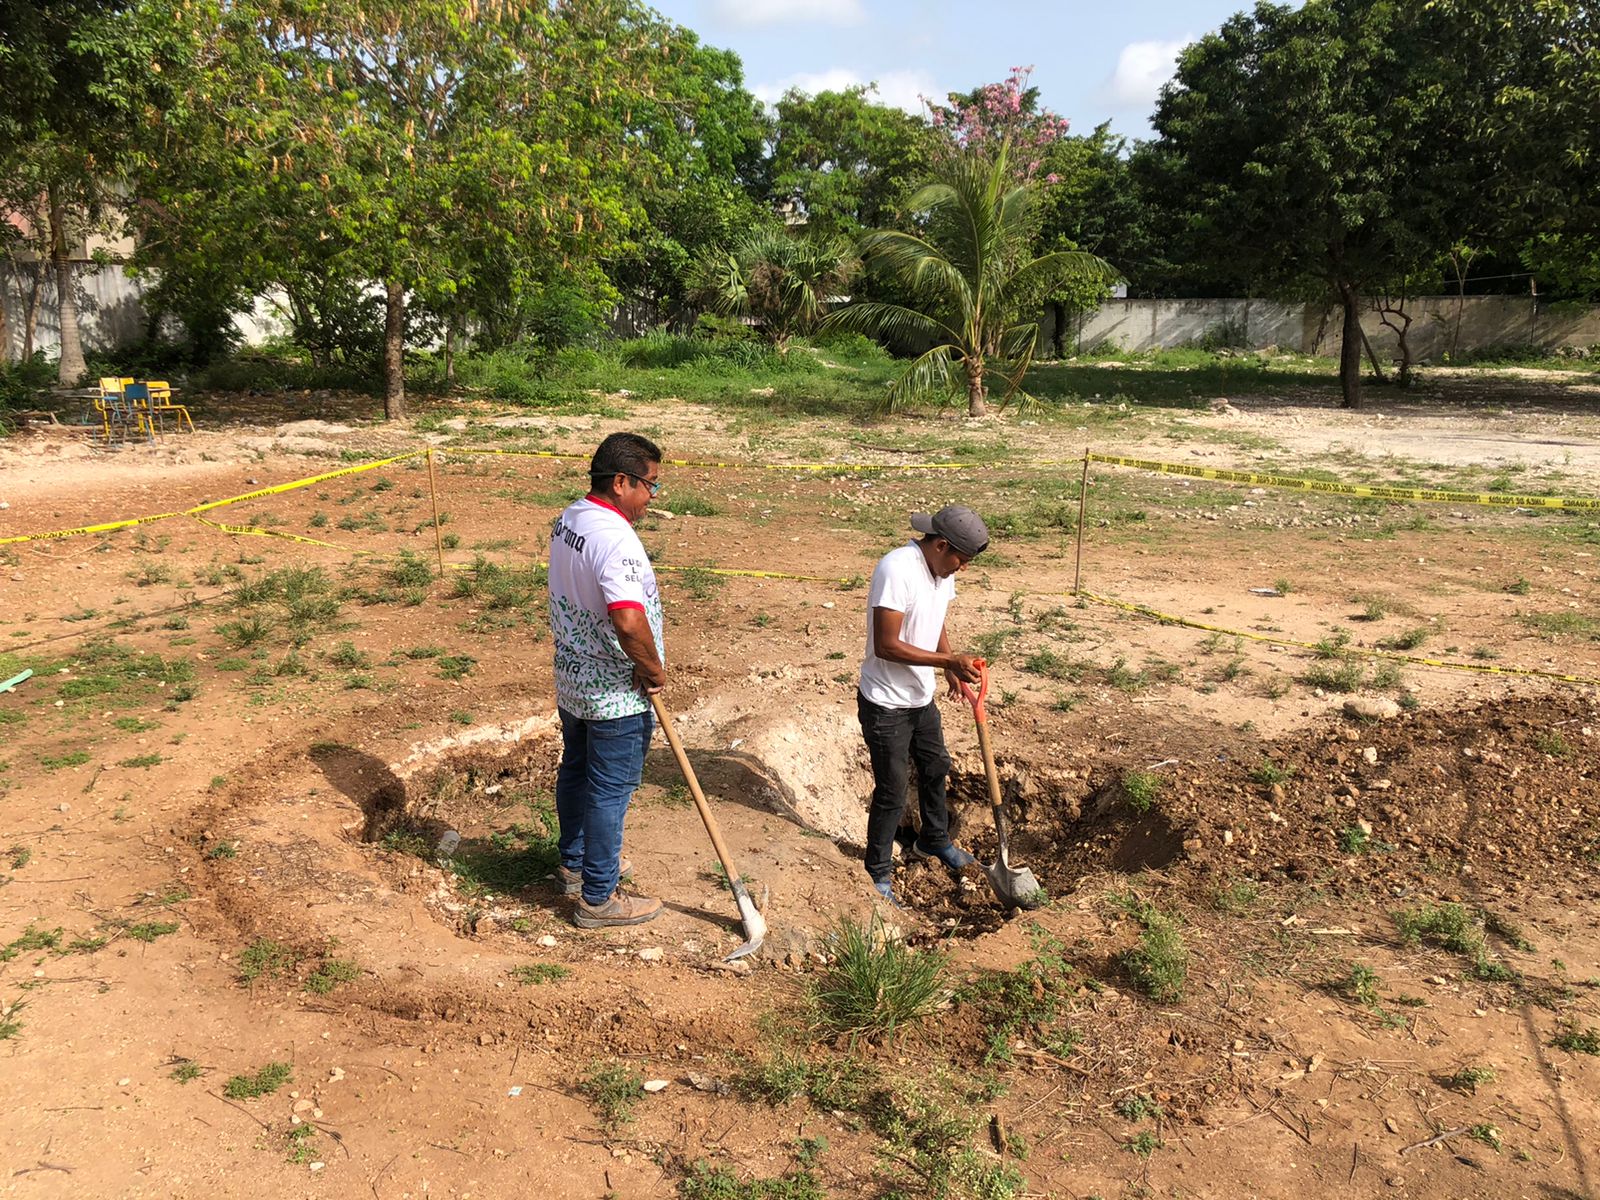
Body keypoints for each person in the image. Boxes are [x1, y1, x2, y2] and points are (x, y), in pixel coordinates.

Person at [547, 432, 667, 928]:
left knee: (577, 770)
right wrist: (653, 668)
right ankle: (598, 897)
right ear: (621, 482)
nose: (651, 499)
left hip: (574, 678)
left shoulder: (572, 517)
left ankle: (574, 865)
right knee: (609, 789)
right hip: (615, 692)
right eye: (649, 486)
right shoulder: (615, 538)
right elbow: (628, 620)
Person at [857, 504, 990, 904]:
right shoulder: (896, 569)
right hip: (885, 703)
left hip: (919, 696)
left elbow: (936, 619)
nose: (962, 569)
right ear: (941, 545)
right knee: (892, 790)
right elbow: (887, 644)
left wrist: (947, 664)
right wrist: (948, 661)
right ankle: (876, 872)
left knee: (936, 767)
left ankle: (934, 840)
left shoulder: (940, 571)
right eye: (961, 560)